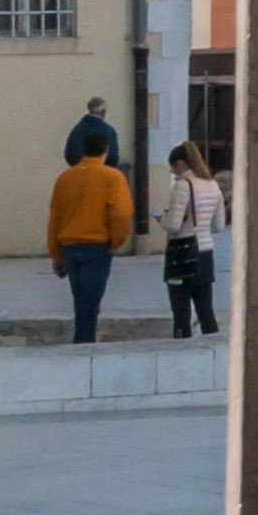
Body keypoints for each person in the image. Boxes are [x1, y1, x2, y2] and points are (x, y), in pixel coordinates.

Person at [44, 111, 137, 345]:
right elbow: (121, 214)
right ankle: (84, 347)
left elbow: (55, 217)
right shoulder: (113, 178)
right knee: (91, 303)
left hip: (70, 246)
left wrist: (56, 253)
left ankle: (83, 342)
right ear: (105, 151)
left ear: (82, 150)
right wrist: (116, 242)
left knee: (80, 301)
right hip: (97, 246)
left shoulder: (65, 178)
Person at [155, 136, 227, 338]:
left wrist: (161, 219)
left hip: (181, 255)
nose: (172, 172)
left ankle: (181, 352)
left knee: (181, 313)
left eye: (172, 167)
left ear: (180, 164)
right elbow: (219, 225)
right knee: (206, 311)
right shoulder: (213, 185)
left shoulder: (182, 186)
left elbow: (174, 225)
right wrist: (201, 228)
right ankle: (212, 350)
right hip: (205, 254)